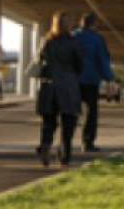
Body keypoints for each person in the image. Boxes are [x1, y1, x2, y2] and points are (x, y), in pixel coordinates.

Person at [35, 11, 83, 167]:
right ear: (69, 25)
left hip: (49, 85)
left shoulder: (47, 41)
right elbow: (80, 64)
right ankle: (64, 153)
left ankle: (45, 145)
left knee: (49, 121)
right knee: (68, 120)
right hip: (68, 85)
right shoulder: (74, 42)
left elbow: (39, 60)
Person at [73, 12, 114, 153]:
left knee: (71, 111)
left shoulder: (73, 37)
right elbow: (103, 59)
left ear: (81, 23)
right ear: (94, 24)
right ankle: (87, 142)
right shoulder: (97, 39)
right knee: (91, 111)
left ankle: (66, 141)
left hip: (73, 80)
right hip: (90, 80)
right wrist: (108, 78)